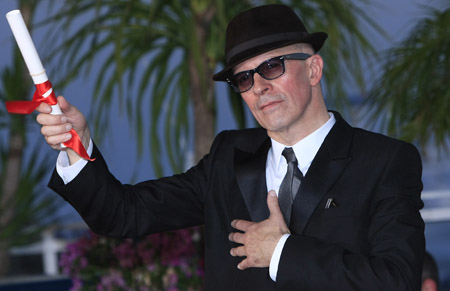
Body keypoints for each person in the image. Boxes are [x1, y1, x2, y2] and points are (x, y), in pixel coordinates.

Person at [35, 4, 425, 290]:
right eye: (243, 79)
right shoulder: (229, 157)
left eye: (272, 67)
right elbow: (123, 214)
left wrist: (281, 252)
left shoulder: (385, 161)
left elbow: (396, 281)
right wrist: (77, 145)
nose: (258, 86)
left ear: (313, 69)